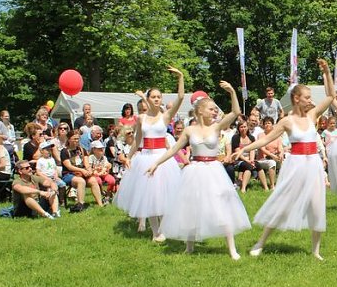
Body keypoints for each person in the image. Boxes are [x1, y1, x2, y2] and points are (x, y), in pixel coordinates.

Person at [232, 58, 336, 260]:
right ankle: (261, 242)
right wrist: (244, 150)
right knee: (282, 203)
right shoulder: (287, 121)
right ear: (296, 99)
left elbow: (331, 95)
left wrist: (327, 72)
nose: (310, 100)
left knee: (316, 206)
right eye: (306, 97)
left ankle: (315, 251)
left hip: (313, 164)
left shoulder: (313, 115)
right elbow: (266, 140)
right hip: (296, 164)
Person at [147, 81, 250, 259]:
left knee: (222, 206)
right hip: (194, 170)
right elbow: (173, 149)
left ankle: (232, 249)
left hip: (213, 170)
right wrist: (157, 163)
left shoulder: (216, 127)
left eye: (215, 109)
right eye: (211, 109)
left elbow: (236, 112)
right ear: (200, 111)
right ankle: (189, 246)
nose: (215, 111)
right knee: (191, 207)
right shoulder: (189, 130)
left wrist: (232, 91)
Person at [115, 66, 185, 241]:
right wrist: (129, 157)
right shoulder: (141, 119)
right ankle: (155, 232)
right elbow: (138, 140)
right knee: (150, 196)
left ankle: (164, 227)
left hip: (162, 158)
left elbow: (181, 97)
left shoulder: (166, 116)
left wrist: (180, 77)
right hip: (145, 157)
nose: (156, 99)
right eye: (153, 97)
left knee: (165, 194)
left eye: (159, 97)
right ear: (147, 99)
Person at [61, 131, 104, 208]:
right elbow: (69, 166)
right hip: (69, 174)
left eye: (78, 139)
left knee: (93, 180)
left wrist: (89, 170)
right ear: (69, 139)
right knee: (81, 181)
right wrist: (82, 170)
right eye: (74, 139)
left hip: (82, 173)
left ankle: (100, 204)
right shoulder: (64, 151)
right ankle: (80, 204)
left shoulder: (82, 150)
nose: (76, 141)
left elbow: (86, 163)